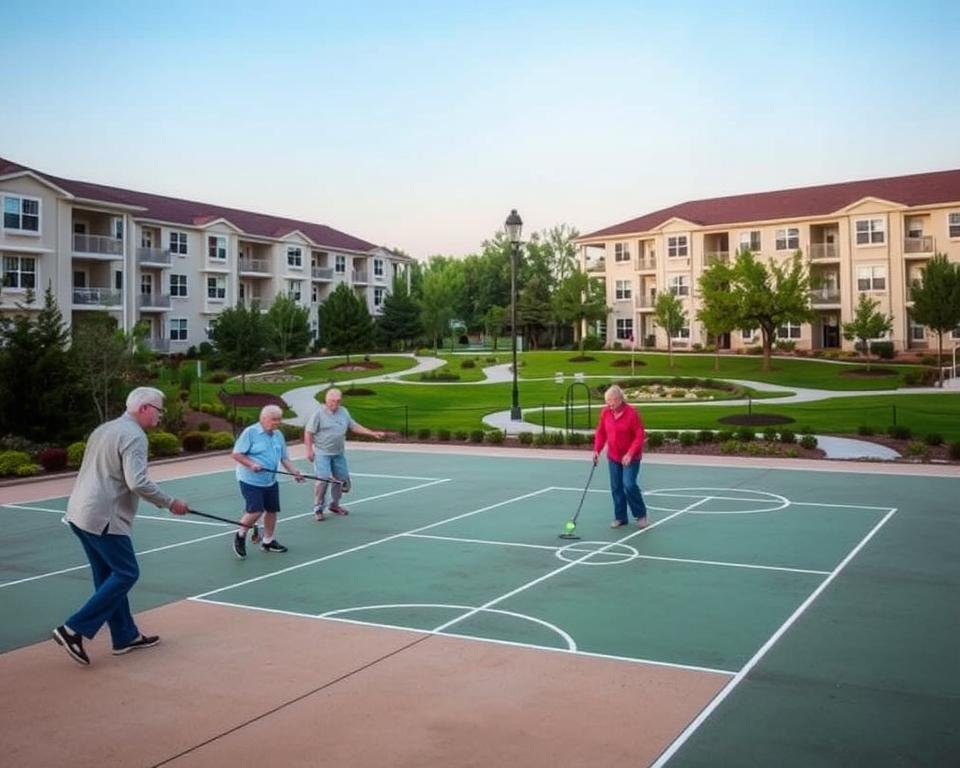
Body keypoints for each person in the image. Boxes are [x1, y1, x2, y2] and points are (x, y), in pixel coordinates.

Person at [52, 387, 190, 666]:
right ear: (144, 408)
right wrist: (170, 502)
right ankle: (73, 629)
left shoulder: (105, 429)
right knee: (127, 573)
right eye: (159, 410)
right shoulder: (134, 435)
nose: (160, 416)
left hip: (80, 513)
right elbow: (137, 482)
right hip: (104, 517)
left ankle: (125, 635)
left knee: (107, 576)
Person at [231, 404, 304, 558]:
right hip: (250, 480)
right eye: (274, 419)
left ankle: (268, 541)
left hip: (270, 480)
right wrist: (252, 464)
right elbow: (237, 454)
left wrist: (294, 472)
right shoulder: (250, 432)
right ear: (263, 419)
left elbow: (284, 458)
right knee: (256, 510)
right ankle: (240, 534)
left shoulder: (278, 435)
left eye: (279, 419)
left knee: (272, 510)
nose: (277, 423)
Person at [304, 387, 385, 520]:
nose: (335, 404)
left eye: (338, 401)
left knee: (341, 481)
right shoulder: (318, 414)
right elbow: (308, 432)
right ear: (326, 400)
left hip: (338, 453)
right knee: (323, 480)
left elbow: (353, 426)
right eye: (333, 401)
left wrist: (372, 433)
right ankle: (318, 508)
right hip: (322, 453)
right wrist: (309, 450)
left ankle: (334, 505)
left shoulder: (343, 412)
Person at [593, 384, 649, 529]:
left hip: (631, 457)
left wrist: (630, 453)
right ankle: (620, 517)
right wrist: (597, 450)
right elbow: (601, 432)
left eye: (611, 402)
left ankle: (641, 515)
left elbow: (639, 435)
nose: (609, 405)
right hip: (613, 456)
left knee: (629, 484)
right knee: (616, 487)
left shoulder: (632, 413)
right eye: (607, 402)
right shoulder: (606, 412)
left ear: (619, 399)